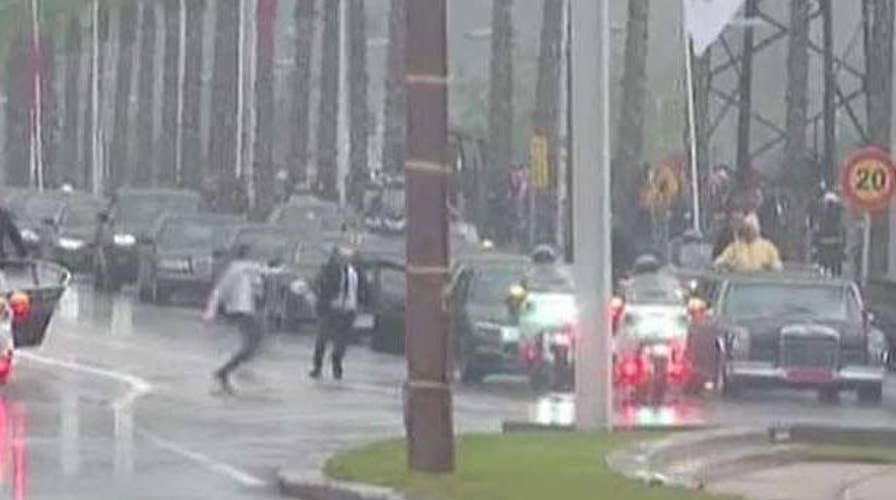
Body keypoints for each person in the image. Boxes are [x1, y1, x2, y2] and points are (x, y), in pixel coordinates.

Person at [203, 244, 266, 394]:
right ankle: (224, 371)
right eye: (251, 253)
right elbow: (220, 291)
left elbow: (259, 279)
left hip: (247, 309)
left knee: (254, 342)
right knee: (251, 344)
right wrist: (211, 311)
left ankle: (227, 370)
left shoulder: (245, 269)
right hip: (241, 309)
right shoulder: (238, 268)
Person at [310, 245, 368, 380]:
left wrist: (361, 303)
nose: (346, 258)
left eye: (349, 256)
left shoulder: (356, 272)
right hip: (331, 308)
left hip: (348, 310)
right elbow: (319, 283)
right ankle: (317, 367)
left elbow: (362, 288)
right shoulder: (330, 270)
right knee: (322, 338)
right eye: (343, 256)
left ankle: (337, 366)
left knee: (341, 341)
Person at [714, 214, 782, 272]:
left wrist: (769, 266)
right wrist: (728, 266)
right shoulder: (734, 248)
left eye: (752, 228)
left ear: (758, 229)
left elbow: (777, 266)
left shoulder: (768, 247)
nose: (749, 231)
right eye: (747, 228)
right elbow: (719, 262)